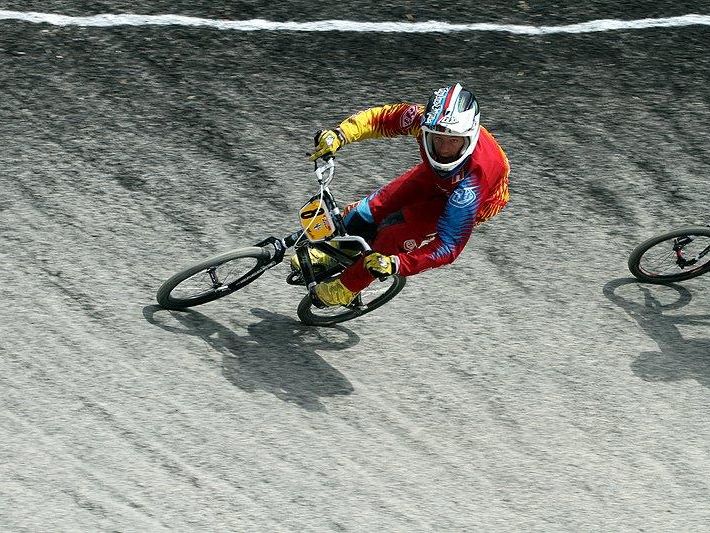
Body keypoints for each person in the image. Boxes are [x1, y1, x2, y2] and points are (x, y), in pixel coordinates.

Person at [297, 82, 510, 307]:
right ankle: (335, 251)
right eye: (437, 140)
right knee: (367, 210)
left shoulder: (475, 183)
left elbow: (448, 247)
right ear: (426, 129)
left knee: (393, 235)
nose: (444, 149)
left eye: (453, 141)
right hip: (434, 176)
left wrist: (397, 264)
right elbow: (381, 119)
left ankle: (346, 288)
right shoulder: (423, 120)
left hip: (477, 197)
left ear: (469, 137)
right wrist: (340, 135)